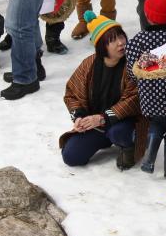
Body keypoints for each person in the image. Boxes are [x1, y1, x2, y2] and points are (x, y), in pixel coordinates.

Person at [60, 11, 148, 171]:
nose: (121, 43)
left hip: (124, 123)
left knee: (118, 132)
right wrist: (79, 117)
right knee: (71, 156)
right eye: (112, 40)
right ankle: (104, 138)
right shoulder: (89, 64)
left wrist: (103, 118)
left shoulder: (133, 64)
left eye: (121, 37)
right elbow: (72, 92)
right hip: (97, 124)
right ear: (101, 46)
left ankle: (129, 145)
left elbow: (134, 99)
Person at [124, 0, 166, 178]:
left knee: (155, 124)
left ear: (146, 15)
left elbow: (132, 72)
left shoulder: (137, 41)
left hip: (150, 97)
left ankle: (148, 161)